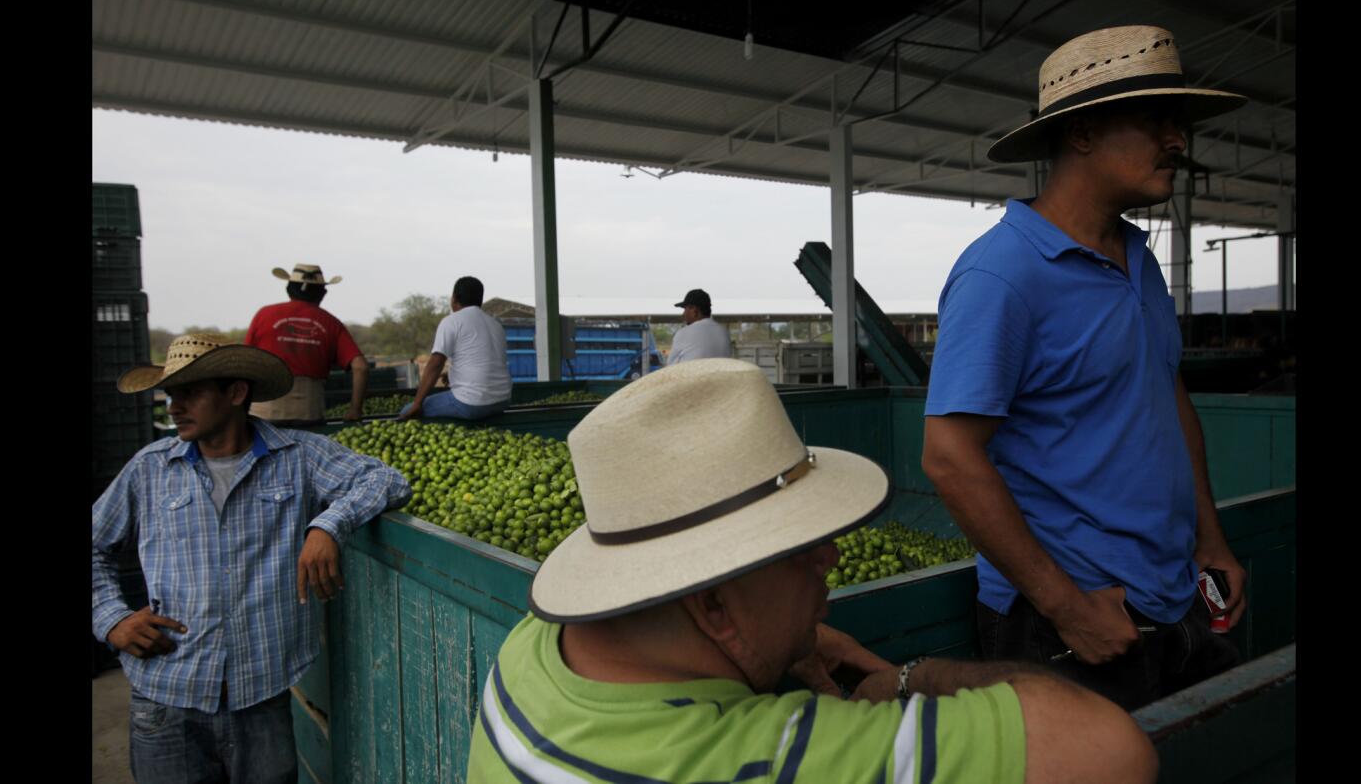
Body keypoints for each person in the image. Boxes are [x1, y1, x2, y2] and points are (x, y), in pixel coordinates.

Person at [468, 359, 1156, 783]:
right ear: (711, 607)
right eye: (798, 548)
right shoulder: (749, 763)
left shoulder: (533, 653)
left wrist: (784, 635)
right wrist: (914, 678)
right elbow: (1110, 751)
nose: (829, 557)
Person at [921, 25, 1248, 710]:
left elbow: (1168, 396)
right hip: (1067, 623)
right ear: (1081, 135)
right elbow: (950, 457)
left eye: (1179, 123)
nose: (1178, 140)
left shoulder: (1139, 258)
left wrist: (1209, 539)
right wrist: (1065, 607)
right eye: (1158, 120)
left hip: (1171, 592)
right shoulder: (1001, 275)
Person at [92, 333, 411, 783]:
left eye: (190, 393)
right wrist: (111, 619)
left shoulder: (297, 456)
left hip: (259, 697)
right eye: (170, 394)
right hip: (167, 697)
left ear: (236, 393)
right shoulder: (150, 468)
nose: (174, 407)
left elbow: (386, 480)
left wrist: (327, 525)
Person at [245, 263, 369, 424]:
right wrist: (355, 409)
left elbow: (246, 363)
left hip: (264, 415)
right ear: (322, 293)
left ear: (289, 288)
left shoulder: (264, 315)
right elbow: (361, 367)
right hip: (309, 414)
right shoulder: (331, 322)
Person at [399, 276, 513, 421]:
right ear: (480, 300)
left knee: (408, 411)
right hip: (503, 400)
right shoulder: (496, 325)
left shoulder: (452, 321)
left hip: (472, 403)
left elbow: (436, 363)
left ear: (454, 298)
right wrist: (453, 375)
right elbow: (483, 360)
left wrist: (417, 403)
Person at [666, 288, 731, 364]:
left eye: (685, 309)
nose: (683, 314)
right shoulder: (724, 332)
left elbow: (670, 367)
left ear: (694, 310)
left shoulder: (683, 333)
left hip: (693, 376)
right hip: (720, 375)